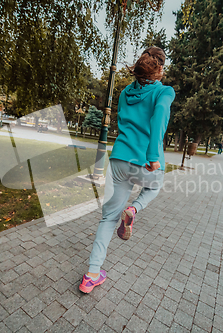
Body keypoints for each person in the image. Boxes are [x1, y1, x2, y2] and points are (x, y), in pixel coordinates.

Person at [79, 47, 175, 293]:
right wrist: (153, 155)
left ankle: (91, 275)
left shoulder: (124, 93)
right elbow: (159, 116)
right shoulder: (164, 92)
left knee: (107, 218)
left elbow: (126, 121)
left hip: (119, 160)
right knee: (154, 186)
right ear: (160, 68)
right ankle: (133, 209)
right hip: (145, 162)